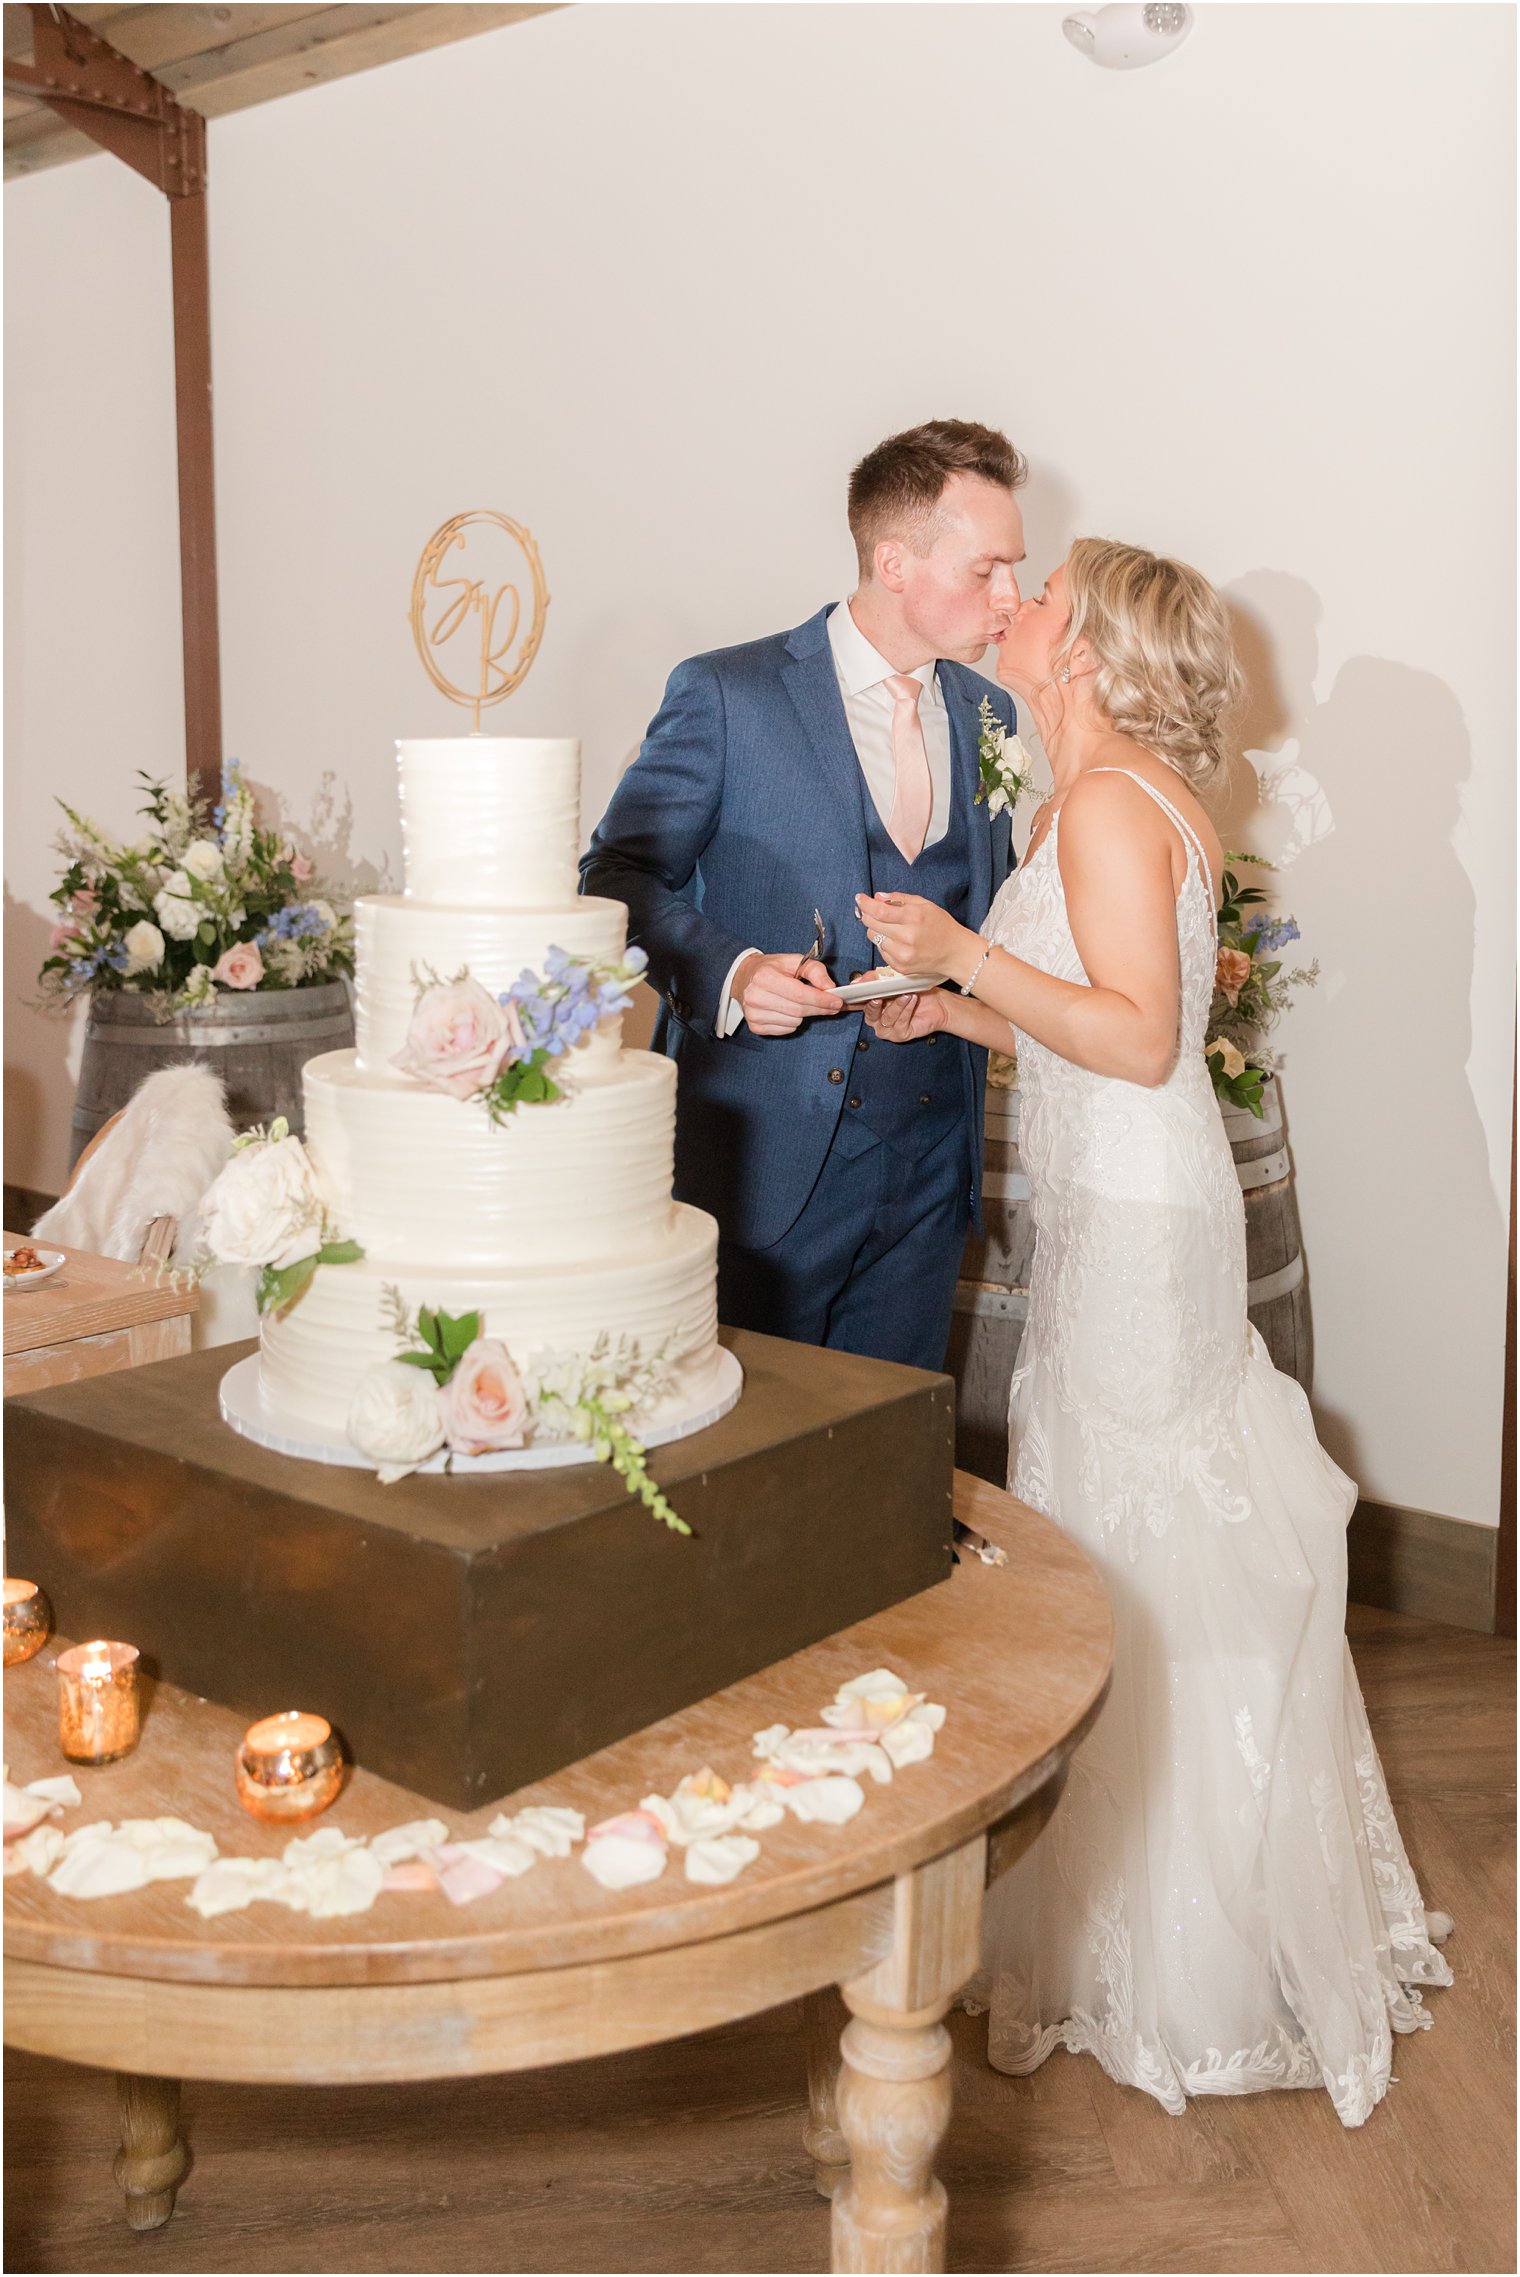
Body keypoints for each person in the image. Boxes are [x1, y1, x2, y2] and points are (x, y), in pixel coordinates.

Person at [856, 537, 1452, 2127]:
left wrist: (968, 953)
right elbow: (1079, 1011)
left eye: (1043, 596)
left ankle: (1193, 1957)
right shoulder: (1085, 794)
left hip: (1140, 1218)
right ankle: (1121, 1915)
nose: (1017, 605)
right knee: (1104, 1526)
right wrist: (961, 1009)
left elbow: (1139, 1035)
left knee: (1134, 1542)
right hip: (1106, 1206)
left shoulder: (1114, 803)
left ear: (1091, 651)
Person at [580, 421, 1024, 1369]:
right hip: (761, 1170)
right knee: (749, 1464)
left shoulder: (994, 716)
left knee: (888, 1458)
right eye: (988, 569)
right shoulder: (728, 695)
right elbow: (615, 875)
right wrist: (732, 971)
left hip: (931, 1170)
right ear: (895, 561)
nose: (1011, 597)